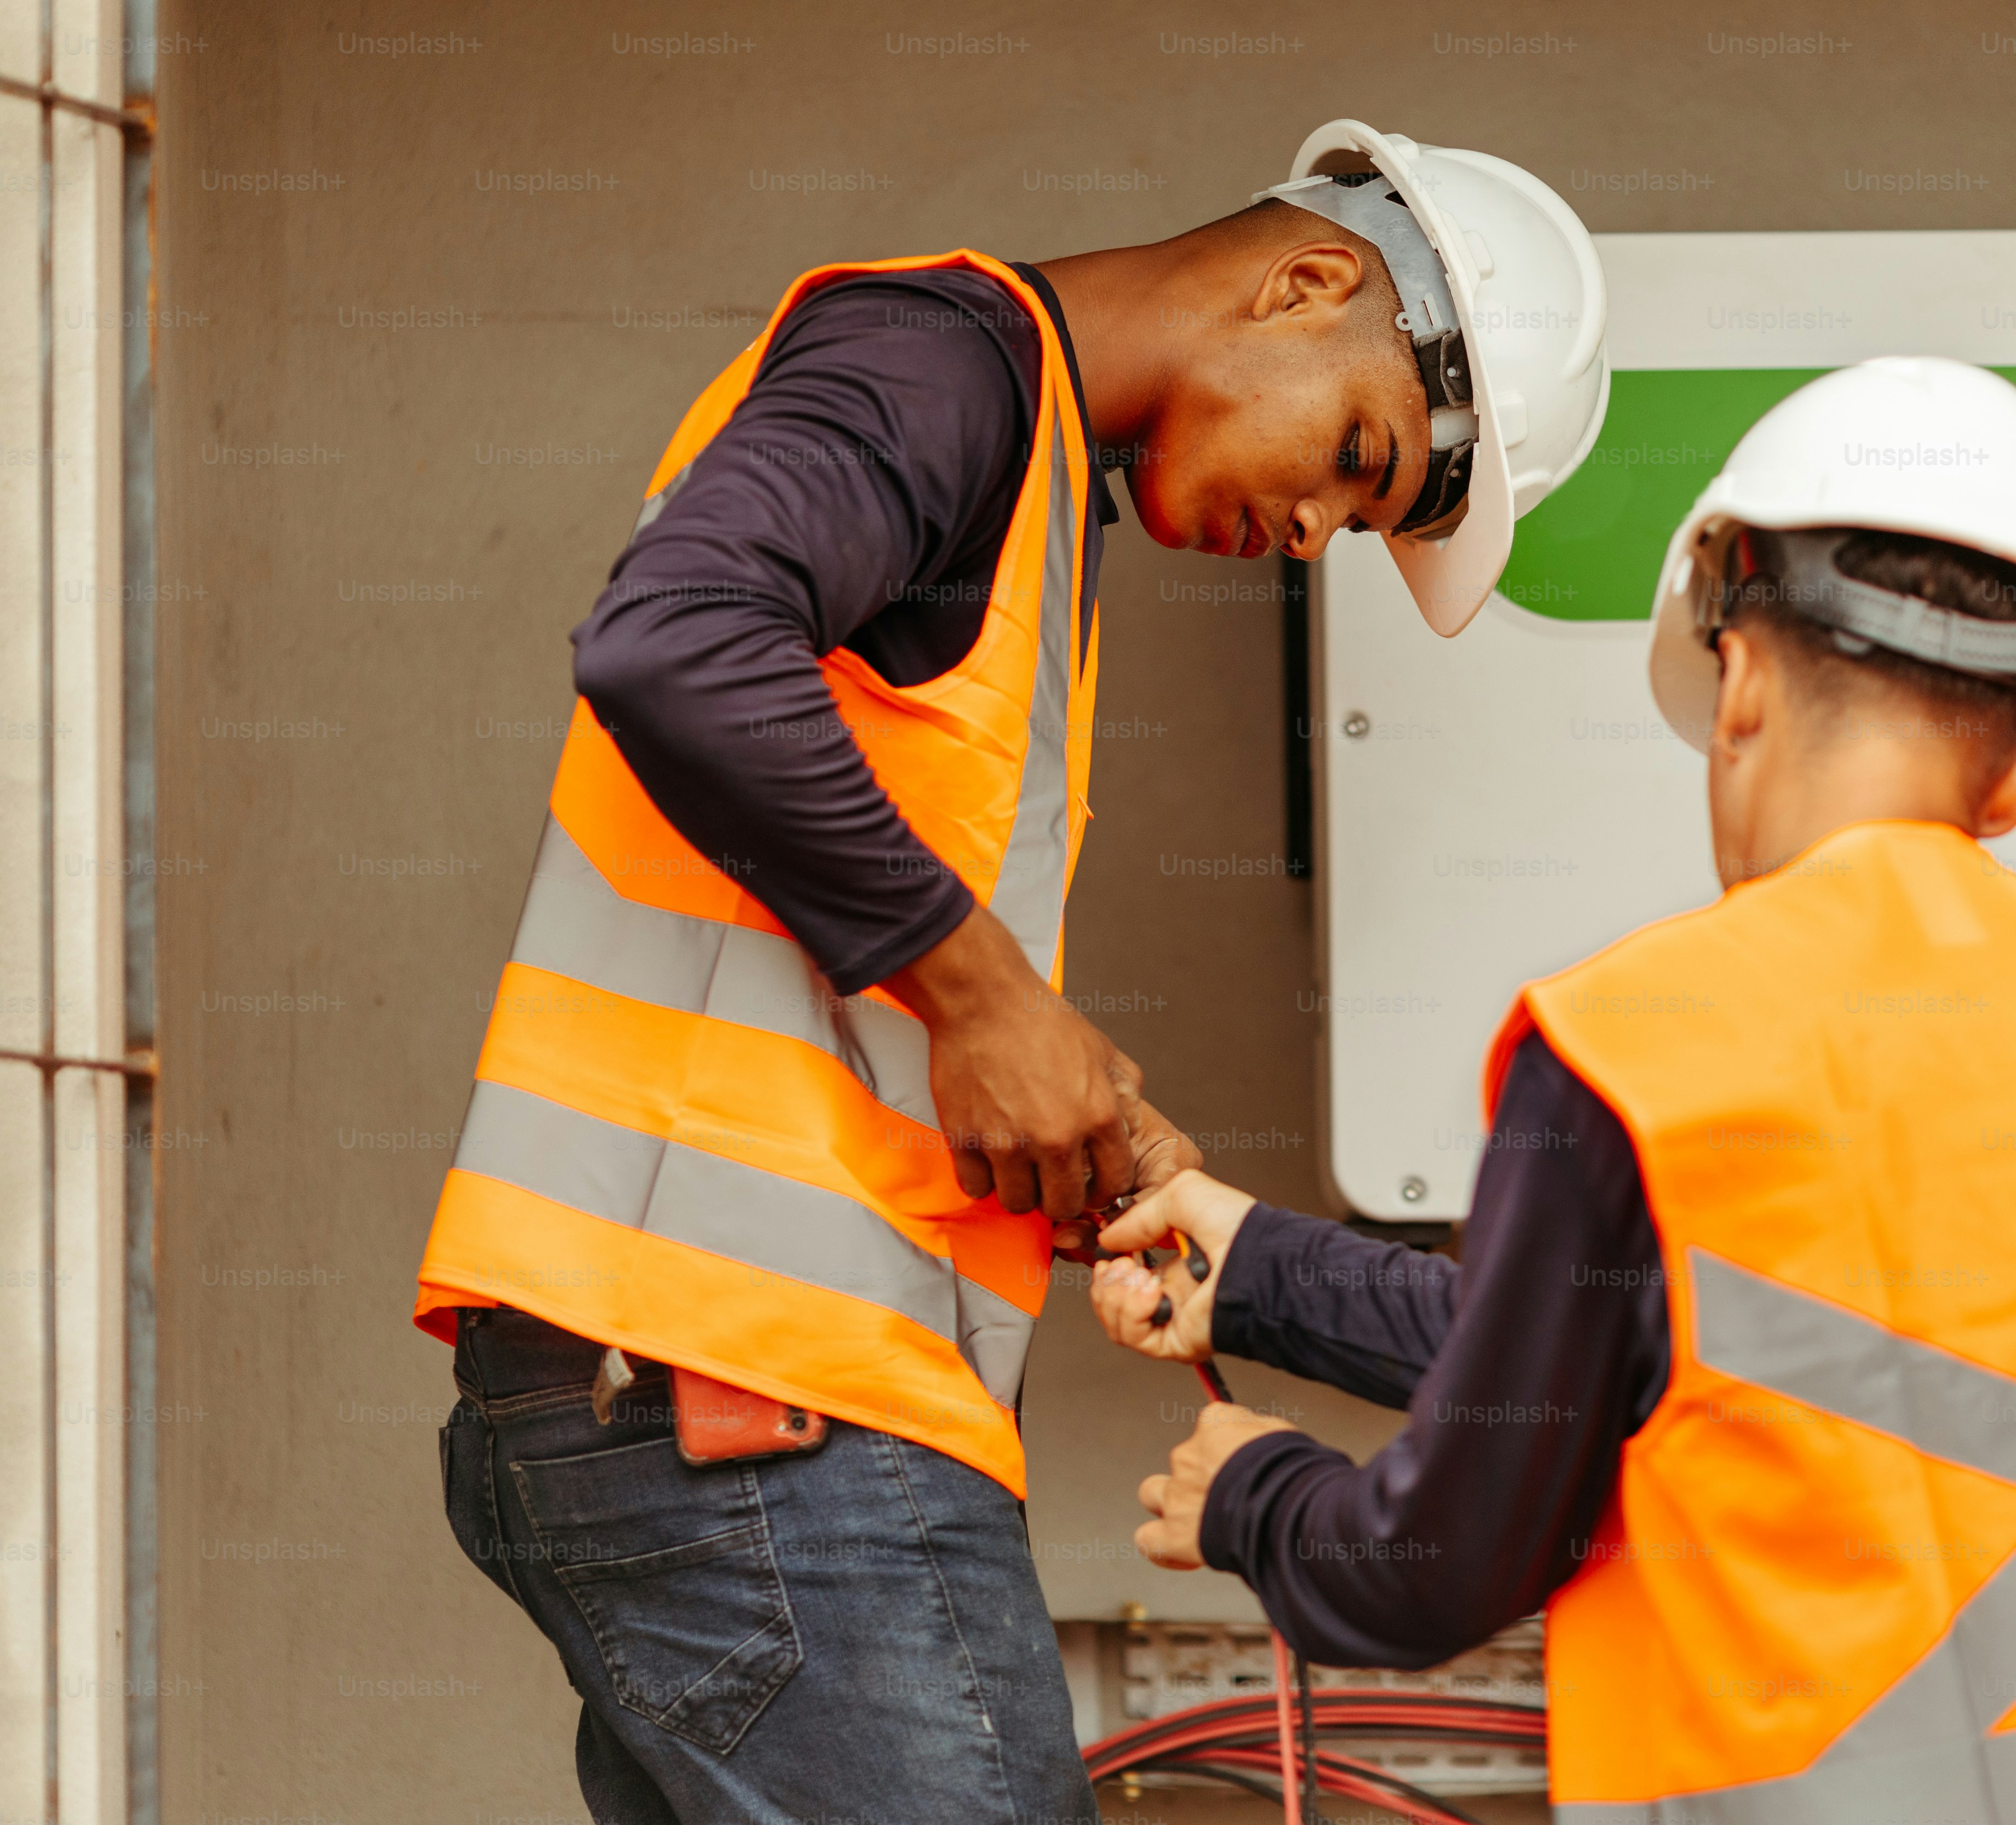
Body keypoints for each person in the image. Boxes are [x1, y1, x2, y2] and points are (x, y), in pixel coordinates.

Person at [413, 119, 1608, 1825]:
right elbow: (675, 639)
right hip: (758, 1403)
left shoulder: (1025, 476)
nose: (1313, 528)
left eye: (1357, 518)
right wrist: (984, 1001)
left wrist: (1054, 1105)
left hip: (679, 1389)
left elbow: (807, 948)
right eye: (1358, 457)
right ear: (1307, 281)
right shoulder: (940, 360)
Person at [1094, 358, 2016, 1824]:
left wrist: (1255, 1494)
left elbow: (1443, 1561)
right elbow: (1706, 1372)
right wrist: (1264, 1274)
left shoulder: (1646, 1045)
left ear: (1737, 684)